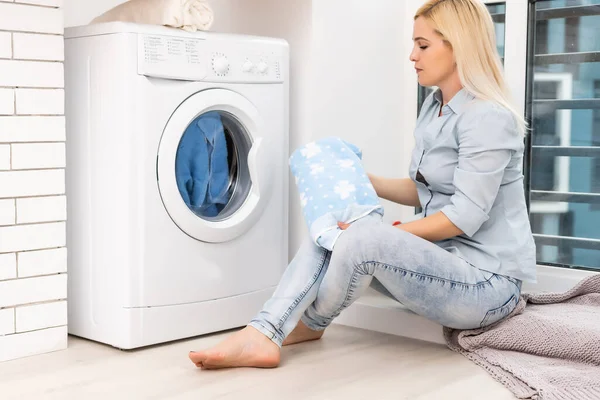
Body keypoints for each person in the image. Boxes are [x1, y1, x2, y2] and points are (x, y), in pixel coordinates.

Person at [188, 0, 536, 370]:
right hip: (442, 268)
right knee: (333, 221)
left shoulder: (486, 118)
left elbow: (462, 217)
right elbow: (428, 191)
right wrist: (361, 182)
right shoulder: (435, 106)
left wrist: (390, 234)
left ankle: (301, 325)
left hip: (487, 286)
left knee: (359, 235)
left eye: (423, 45)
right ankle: (266, 331)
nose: (411, 56)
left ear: (458, 45)